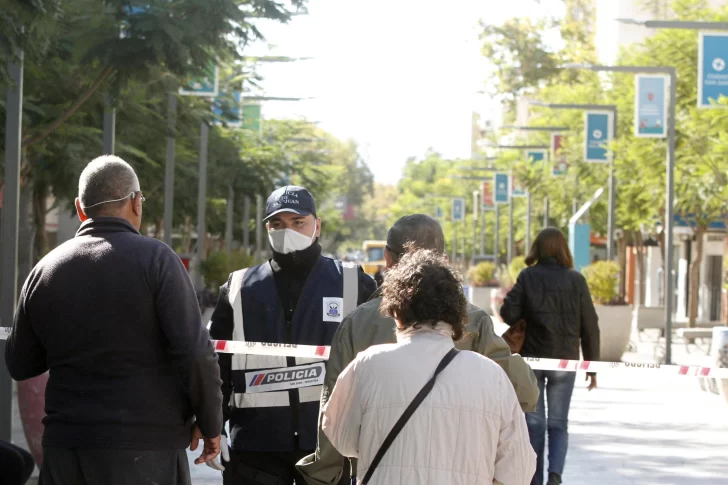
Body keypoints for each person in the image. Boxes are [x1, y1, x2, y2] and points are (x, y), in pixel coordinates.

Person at [4, 155, 223, 485]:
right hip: (146, 451)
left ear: (80, 208)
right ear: (136, 202)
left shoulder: (45, 270)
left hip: (67, 450)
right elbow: (196, 353)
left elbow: (20, 364)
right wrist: (210, 422)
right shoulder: (158, 260)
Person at [297, 214, 539, 485]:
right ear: (444, 262)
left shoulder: (358, 327)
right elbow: (527, 394)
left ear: (388, 259)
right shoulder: (475, 325)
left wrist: (321, 475)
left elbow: (334, 426)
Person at [207, 185, 377, 484]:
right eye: (277, 224)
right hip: (256, 449)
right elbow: (216, 366)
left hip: (329, 448)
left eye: (298, 222)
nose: (288, 230)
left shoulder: (353, 284)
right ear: (267, 228)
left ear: (317, 225)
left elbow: (378, 362)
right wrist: (213, 425)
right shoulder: (238, 288)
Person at [500, 227, 600, 485]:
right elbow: (590, 324)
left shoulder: (527, 276)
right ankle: (555, 475)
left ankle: (534, 479)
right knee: (558, 423)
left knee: (533, 424)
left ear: (537, 249)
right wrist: (591, 366)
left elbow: (508, 314)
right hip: (565, 361)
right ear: (563, 249)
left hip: (532, 359)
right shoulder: (576, 280)